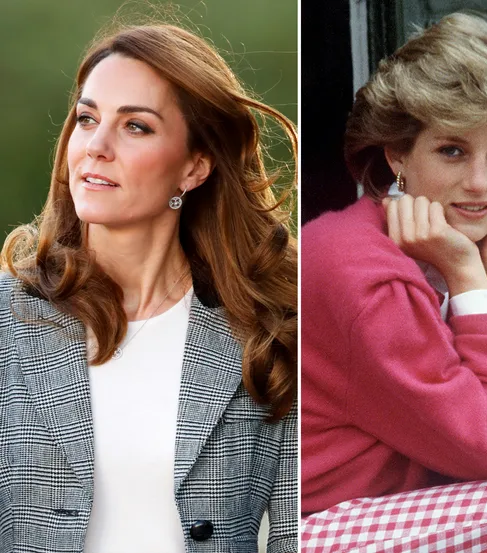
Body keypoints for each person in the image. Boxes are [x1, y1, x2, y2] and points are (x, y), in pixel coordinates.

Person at [0, 20, 297, 553]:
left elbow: (298, 533)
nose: (96, 146)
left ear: (194, 167)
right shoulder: (8, 320)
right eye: (87, 119)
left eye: (135, 126)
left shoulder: (268, 328)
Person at [301, 11, 487, 551]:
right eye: (453, 150)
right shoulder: (357, 272)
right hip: (322, 528)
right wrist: (467, 271)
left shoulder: (437, 252)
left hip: (412, 515)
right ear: (398, 157)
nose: (481, 183)